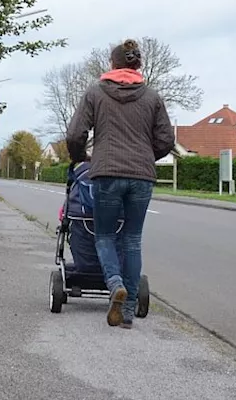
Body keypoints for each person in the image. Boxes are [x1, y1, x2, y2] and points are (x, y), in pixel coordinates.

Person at [66, 39, 175, 329]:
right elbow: (166, 140)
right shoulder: (153, 97)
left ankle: (114, 285)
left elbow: (76, 134)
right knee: (132, 239)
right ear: (137, 65)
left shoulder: (95, 93)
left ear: (112, 65)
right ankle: (127, 312)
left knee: (104, 235)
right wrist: (144, 156)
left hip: (106, 172)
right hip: (141, 177)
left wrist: (81, 159)